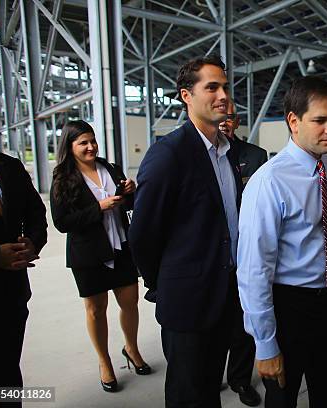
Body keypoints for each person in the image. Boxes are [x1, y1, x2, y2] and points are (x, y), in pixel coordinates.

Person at [129, 55, 242, 408]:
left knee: (209, 388)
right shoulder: (169, 155)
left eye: (225, 86)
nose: (223, 94)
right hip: (187, 300)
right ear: (186, 96)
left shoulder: (227, 151)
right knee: (187, 395)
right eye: (212, 87)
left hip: (226, 294)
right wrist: (163, 285)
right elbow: (143, 236)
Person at [237, 76, 327, 407]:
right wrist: (265, 344)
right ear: (293, 121)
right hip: (289, 309)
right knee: (283, 399)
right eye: (320, 120)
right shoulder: (269, 181)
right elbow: (254, 269)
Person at [50, 120, 150, 393]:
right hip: (89, 253)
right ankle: (104, 361)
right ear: (70, 147)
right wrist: (99, 207)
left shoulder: (110, 168)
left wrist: (130, 191)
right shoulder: (62, 176)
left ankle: (131, 348)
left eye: (92, 141)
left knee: (130, 302)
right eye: (83, 143)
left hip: (120, 247)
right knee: (96, 310)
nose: (91, 146)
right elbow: (62, 222)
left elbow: (128, 205)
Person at [0, 147, 47, 408]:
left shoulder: (7, 165)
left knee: (6, 375)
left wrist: (33, 243)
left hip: (10, 294)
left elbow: (35, 212)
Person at [218, 99, 266, 406]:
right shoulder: (199, 154)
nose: (224, 121)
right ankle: (210, 374)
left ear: (237, 123)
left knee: (243, 320)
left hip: (246, 251)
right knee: (212, 321)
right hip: (211, 254)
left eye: (230, 117)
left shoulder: (255, 156)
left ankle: (239, 379)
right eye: (221, 116)